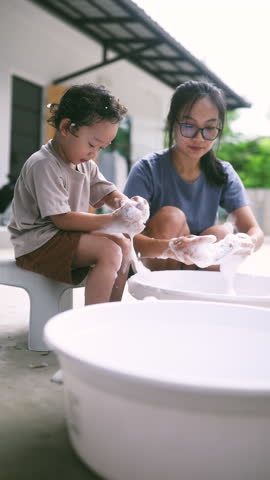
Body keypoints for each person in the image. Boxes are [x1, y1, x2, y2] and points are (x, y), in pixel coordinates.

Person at [8, 83, 148, 304]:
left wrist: (127, 206)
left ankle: (111, 313)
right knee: (109, 251)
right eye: (92, 144)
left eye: (102, 147)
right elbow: (61, 219)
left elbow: (107, 193)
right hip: (36, 244)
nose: (94, 153)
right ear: (66, 128)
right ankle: (91, 321)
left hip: (61, 238)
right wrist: (113, 220)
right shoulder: (44, 164)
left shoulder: (85, 164)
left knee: (122, 244)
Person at [124, 80, 264, 271]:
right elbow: (125, 234)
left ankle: (200, 294)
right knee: (171, 216)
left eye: (209, 128)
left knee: (222, 232)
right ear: (171, 124)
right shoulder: (147, 168)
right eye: (189, 126)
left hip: (200, 267)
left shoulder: (223, 172)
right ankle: (167, 293)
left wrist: (247, 242)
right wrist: (173, 248)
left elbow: (253, 230)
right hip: (158, 262)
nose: (199, 138)